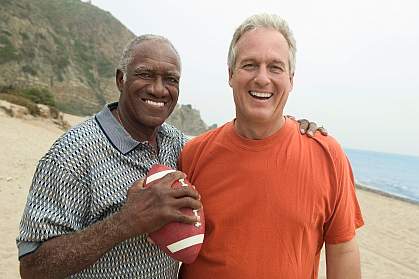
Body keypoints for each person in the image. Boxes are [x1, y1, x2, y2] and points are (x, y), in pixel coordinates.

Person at [17, 34, 322, 278]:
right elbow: (31, 267)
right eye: (145, 75)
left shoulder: (178, 146)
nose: (158, 89)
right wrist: (125, 222)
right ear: (121, 79)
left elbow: (234, 148)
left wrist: (285, 126)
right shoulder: (71, 154)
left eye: (170, 79)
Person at [178, 14, 364, 279]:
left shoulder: (328, 155)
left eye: (275, 67)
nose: (262, 78)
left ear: (291, 78)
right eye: (250, 65)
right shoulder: (193, 154)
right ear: (231, 75)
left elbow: (343, 250)